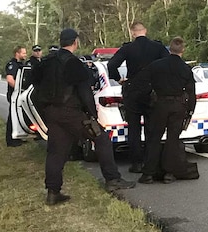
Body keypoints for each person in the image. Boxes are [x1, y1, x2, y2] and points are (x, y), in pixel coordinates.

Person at [32, 28, 135, 205]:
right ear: (75, 42)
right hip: (71, 112)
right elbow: (85, 91)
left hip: (52, 112)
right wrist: (92, 115)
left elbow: (34, 84)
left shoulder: (46, 62)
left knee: (56, 152)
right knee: (101, 138)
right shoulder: (74, 63)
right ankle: (112, 179)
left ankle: (53, 192)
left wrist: (44, 110)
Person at [136, 36, 198, 184]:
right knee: (173, 140)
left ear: (169, 49)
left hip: (160, 105)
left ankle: (149, 173)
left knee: (154, 139)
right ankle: (169, 173)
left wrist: (147, 101)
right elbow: (191, 92)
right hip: (178, 107)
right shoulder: (185, 69)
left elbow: (142, 83)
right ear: (182, 50)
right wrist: (190, 111)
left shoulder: (156, 66)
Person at [107, 21, 167, 173]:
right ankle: (150, 162)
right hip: (152, 91)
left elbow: (112, 65)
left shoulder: (128, 48)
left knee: (133, 128)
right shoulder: (158, 47)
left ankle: (136, 163)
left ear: (133, 32)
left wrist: (118, 78)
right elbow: (168, 63)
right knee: (151, 128)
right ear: (145, 31)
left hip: (133, 90)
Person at [4, 45, 27, 147]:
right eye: (23, 53)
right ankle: (10, 140)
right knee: (12, 117)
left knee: (19, 116)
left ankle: (18, 137)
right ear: (17, 53)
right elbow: (10, 79)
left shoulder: (21, 64)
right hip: (14, 94)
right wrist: (18, 89)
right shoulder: (12, 64)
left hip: (21, 94)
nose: (25, 55)